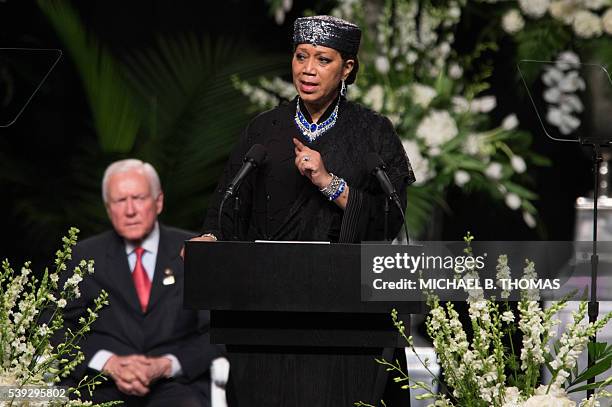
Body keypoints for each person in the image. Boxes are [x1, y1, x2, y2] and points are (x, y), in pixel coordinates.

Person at [198, 15, 415, 243]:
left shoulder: (373, 131)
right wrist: (211, 237)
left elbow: (389, 219)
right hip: (266, 270)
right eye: (301, 57)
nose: (307, 69)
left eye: (323, 60)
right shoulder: (264, 128)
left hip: (341, 272)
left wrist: (327, 182)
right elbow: (228, 202)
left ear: (346, 68)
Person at [62, 159, 223, 406]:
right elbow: (55, 326)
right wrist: (107, 362)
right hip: (100, 386)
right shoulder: (83, 256)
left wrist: (168, 364)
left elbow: (218, 332)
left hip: (176, 386)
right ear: (108, 208)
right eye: (119, 201)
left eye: (138, 198)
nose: (130, 210)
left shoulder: (194, 251)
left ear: (158, 202)